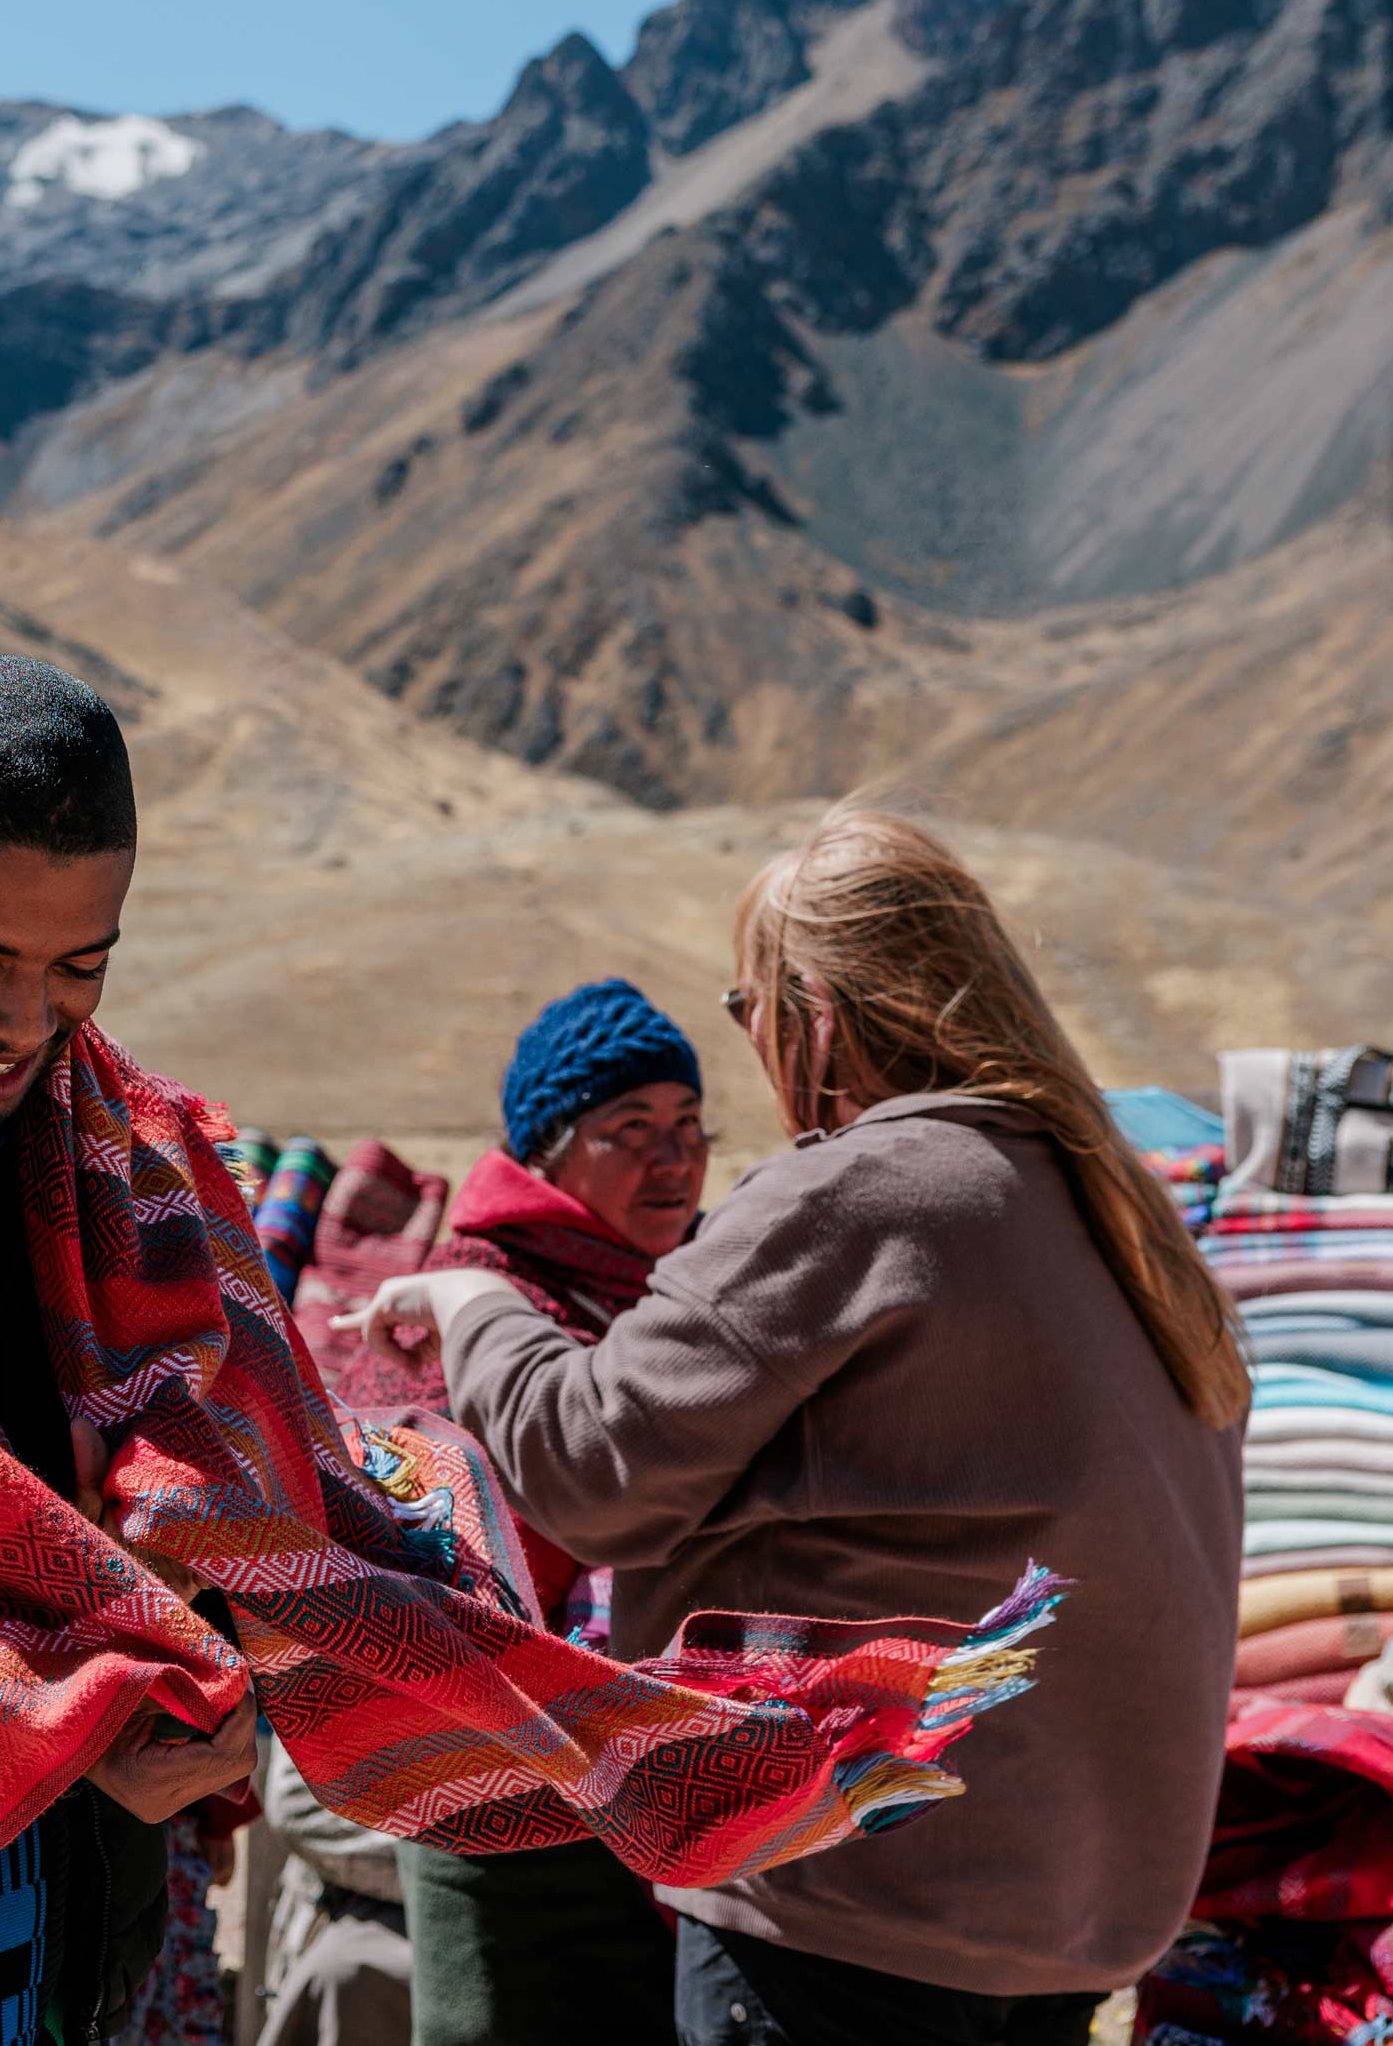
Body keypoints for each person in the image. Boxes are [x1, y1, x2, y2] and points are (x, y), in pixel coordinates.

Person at [0, 662, 1076, 2046]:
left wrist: (197, 1664)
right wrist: (33, 1713)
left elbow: (210, 1502)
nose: (18, 1023)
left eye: (79, 969)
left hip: (38, 1934)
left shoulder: (116, 1160)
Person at [341, 804, 1249, 2046]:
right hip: (1064, 1921)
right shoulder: (1111, 1202)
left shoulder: (876, 1190)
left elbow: (587, 1465)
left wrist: (473, 1302)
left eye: (747, 1011)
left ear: (813, 1012)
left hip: (857, 1911)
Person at [316, 980, 705, 2046]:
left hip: (657, 1792)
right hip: (495, 1788)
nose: (674, 1159)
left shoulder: (687, 1291)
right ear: (549, 1150)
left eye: (687, 1126)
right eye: (631, 1130)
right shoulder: (469, 1306)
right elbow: (415, 1551)